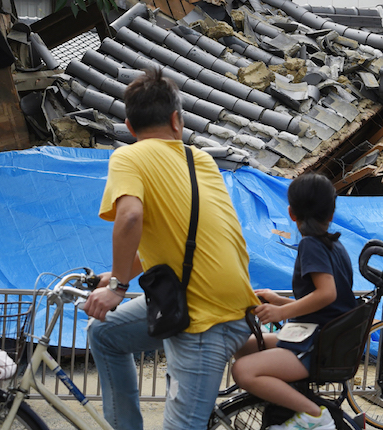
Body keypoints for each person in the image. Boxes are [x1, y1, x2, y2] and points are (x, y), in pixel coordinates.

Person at [82, 67, 260, 430]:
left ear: (130, 128)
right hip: (222, 299)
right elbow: (175, 239)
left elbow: (130, 217)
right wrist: (115, 274)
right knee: (104, 334)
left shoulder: (128, 157)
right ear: (177, 121)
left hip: (203, 317)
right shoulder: (201, 160)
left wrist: (117, 286)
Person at [231, 173, 356, 430]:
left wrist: (281, 312)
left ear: (291, 212)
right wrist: (277, 301)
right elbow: (327, 301)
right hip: (320, 339)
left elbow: (326, 293)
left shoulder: (311, 244)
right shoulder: (335, 245)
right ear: (331, 214)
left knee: (243, 371)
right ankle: (284, 405)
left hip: (315, 344)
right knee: (241, 346)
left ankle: (313, 415)